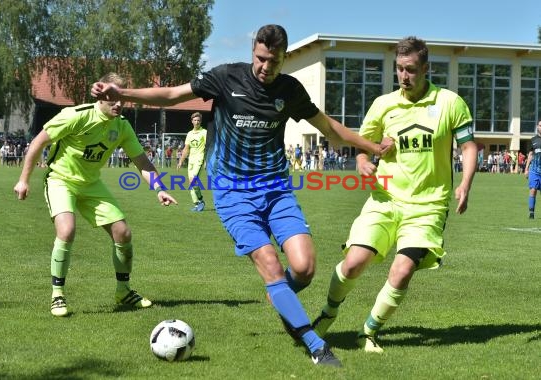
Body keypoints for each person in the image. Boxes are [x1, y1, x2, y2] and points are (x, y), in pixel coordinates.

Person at [91, 24, 393, 367]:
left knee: (305, 267)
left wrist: (371, 147)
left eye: (274, 61)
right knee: (269, 264)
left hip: (277, 190)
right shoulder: (225, 78)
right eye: (261, 59)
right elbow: (173, 95)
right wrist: (123, 93)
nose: (266, 67)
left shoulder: (289, 90)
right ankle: (315, 345)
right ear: (254, 52)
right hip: (232, 192)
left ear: (284, 58)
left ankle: (281, 296)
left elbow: (328, 127)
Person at [312, 36, 478, 354]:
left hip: (428, 205)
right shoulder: (383, 105)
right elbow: (362, 148)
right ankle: (328, 313)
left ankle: (368, 332)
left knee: (401, 272)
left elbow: (469, 147)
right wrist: (362, 163)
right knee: (353, 264)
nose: (404, 76)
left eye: (411, 69)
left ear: (426, 68)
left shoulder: (449, 103)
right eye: (399, 69)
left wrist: (465, 184)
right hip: (384, 199)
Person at [13, 72, 178, 317]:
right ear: (101, 96)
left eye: (122, 98)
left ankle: (123, 291)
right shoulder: (75, 116)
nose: (119, 104)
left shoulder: (121, 126)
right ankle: (57, 295)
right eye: (113, 97)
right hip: (61, 180)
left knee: (123, 232)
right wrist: (23, 180)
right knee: (66, 230)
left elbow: (141, 161)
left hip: (91, 184)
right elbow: (38, 142)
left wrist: (159, 188)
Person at [177, 112, 207, 211]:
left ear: (200, 121)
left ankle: (201, 200)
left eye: (198, 120)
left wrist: (206, 160)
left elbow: (207, 148)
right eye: (195, 120)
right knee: (191, 183)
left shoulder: (204, 132)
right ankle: (197, 203)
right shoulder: (189, 133)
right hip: (191, 160)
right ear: (192, 121)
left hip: (199, 158)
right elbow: (186, 148)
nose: (197, 122)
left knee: (192, 180)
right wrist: (181, 161)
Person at [524, 120, 541, 219]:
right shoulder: (533, 140)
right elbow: (530, 155)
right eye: (540, 125)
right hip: (534, 170)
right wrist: (526, 169)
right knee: (533, 190)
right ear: (537, 127)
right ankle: (531, 212)